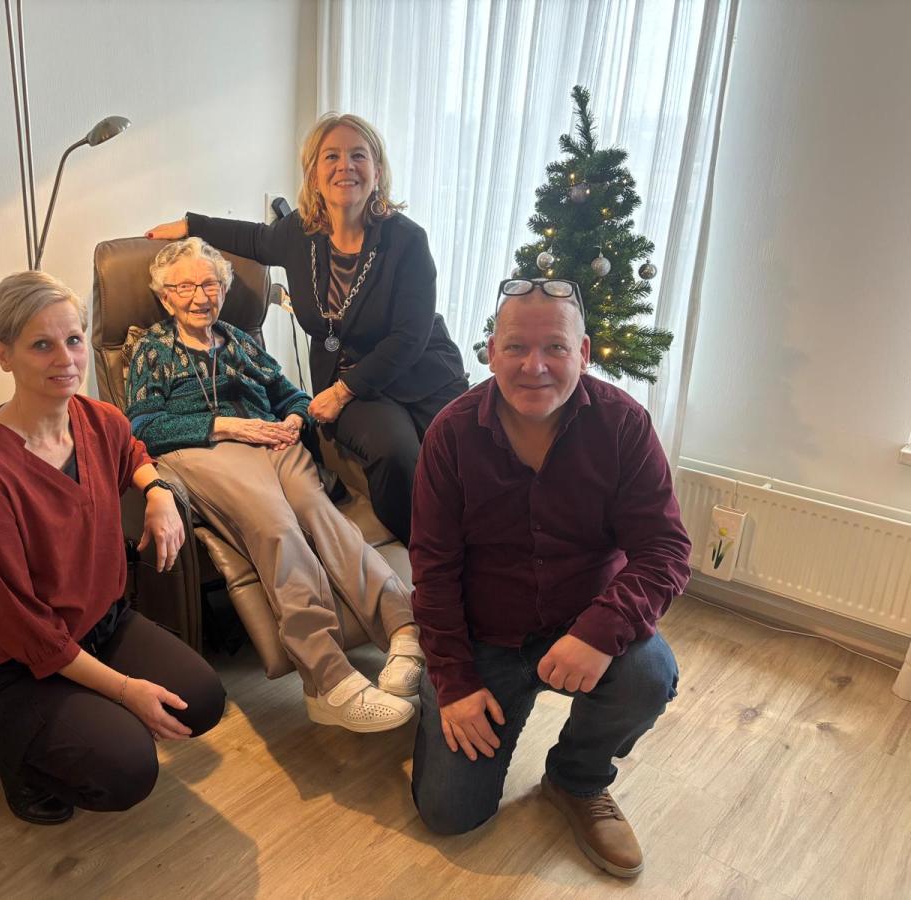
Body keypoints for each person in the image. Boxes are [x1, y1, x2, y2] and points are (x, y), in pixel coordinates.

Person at [409, 277, 691, 877]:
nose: (533, 366)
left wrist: (600, 631)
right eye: (515, 347)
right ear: (491, 352)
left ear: (583, 353)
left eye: (555, 348)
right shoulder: (451, 435)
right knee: (449, 813)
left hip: (581, 622)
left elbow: (666, 549)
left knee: (648, 674)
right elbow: (432, 572)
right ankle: (428, 683)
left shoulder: (623, 425)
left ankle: (576, 777)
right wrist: (454, 682)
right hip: (484, 637)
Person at [0, 270, 225, 826]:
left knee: (203, 701)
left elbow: (132, 451)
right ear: (3, 354)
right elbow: (27, 632)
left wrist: (158, 492)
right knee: (128, 769)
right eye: (41, 345)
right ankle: (16, 760)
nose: (66, 359)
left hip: (99, 624)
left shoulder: (97, 420)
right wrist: (124, 691)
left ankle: (84, 713)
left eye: (73, 339)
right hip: (11, 666)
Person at [126, 237, 425, 733]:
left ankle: (403, 629)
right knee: (277, 528)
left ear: (224, 291)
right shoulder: (153, 350)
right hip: (206, 450)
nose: (200, 296)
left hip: (273, 442)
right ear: (165, 297)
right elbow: (140, 426)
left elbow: (292, 395)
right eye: (185, 287)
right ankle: (327, 680)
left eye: (210, 285)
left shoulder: (239, 341)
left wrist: (292, 418)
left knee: (323, 516)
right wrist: (226, 426)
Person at [145, 113, 468, 546]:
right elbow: (255, 239)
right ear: (314, 173)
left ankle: (481, 547)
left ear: (377, 169)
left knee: (463, 454)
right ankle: (431, 551)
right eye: (331, 156)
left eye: (358, 155)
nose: (345, 166)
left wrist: (342, 392)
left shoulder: (406, 240)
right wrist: (191, 225)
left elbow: (409, 338)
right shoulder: (301, 232)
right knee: (397, 455)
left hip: (419, 372)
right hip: (356, 383)